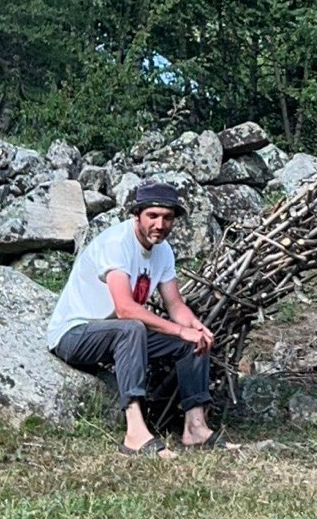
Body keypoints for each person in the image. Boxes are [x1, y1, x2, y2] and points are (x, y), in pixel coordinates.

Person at [47, 178, 227, 457]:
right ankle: (135, 433)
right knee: (132, 327)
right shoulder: (118, 243)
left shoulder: (163, 251)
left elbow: (175, 304)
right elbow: (125, 309)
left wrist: (194, 327)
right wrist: (179, 330)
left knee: (191, 343)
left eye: (167, 218)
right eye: (152, 216)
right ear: (137, 215)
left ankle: (195, 427)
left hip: (115, 334)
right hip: (74, 335)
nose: (160, 224)